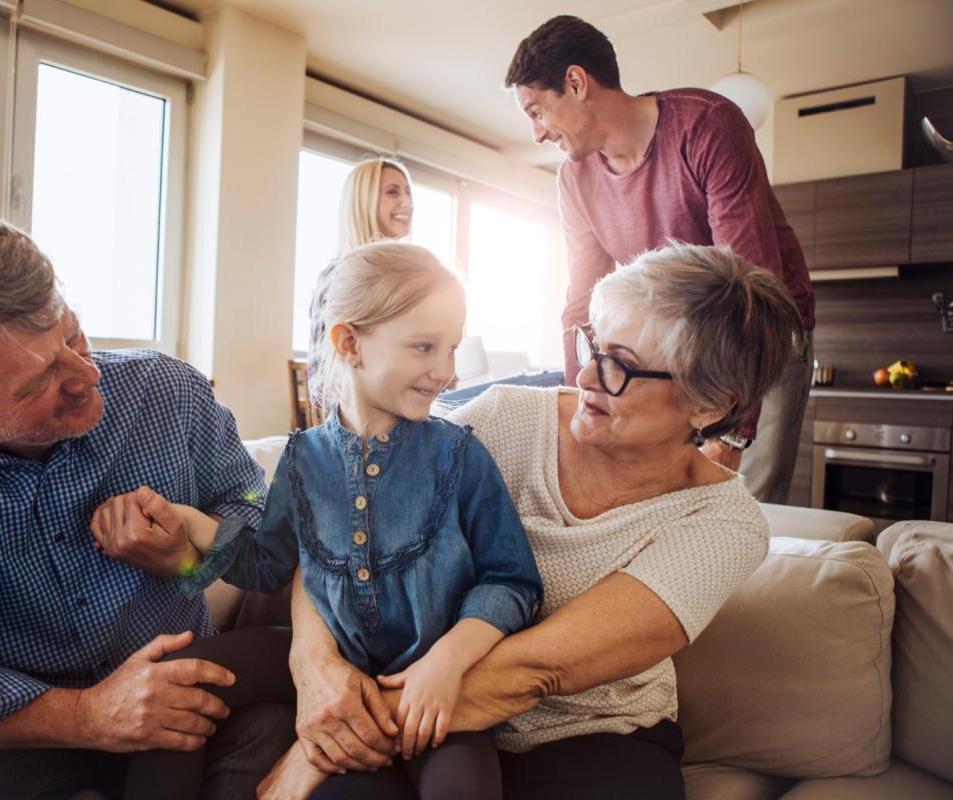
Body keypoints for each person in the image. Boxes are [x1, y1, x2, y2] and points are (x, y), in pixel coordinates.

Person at [266, 243, 805, 800]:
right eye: (593, 344)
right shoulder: (504, 420)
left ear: (710, 404)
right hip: (416, 707)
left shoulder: (721, 524)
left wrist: (320, 746)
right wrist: (313, 662)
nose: (589, 375)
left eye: (620, 363)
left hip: (589, 740)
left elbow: (536, 669)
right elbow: (345, 527)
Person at [0, 211, 294, 799]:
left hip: (187, 706)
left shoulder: (168, 394)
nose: (86, 374)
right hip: (23, 733)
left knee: (279, 728)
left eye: (71, 335)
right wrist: (89, 715)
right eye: (37, 381)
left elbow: (263, 522)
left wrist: (191, 554)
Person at [136, 241, 543, 799]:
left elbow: (512, 581)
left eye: (450, 349)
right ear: (349, 343)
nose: (444, 372)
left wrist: (447, 664)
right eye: (424, 347)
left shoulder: (459, 456)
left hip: (431, 683)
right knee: (176, 678)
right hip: (327, 661)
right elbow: (265, 562)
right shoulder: (303, 459)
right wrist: (188, 524)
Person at [505, 15, 816, 503]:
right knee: (666, 498)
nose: (537, 134)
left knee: (740, 498)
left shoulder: (707, 125)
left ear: (576, 82)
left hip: (765, 336)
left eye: (537, 111)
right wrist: (576, 411)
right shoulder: (574, 180)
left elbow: (753, 284)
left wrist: (732, 434)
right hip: (668, 354)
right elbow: (580, 305)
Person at [307, 157, 414, 409]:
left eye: (409, 192)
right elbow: (322, 385)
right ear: (363, 202)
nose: (408, 203)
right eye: (392, 192)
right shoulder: (337, 276)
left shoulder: (409, 279)